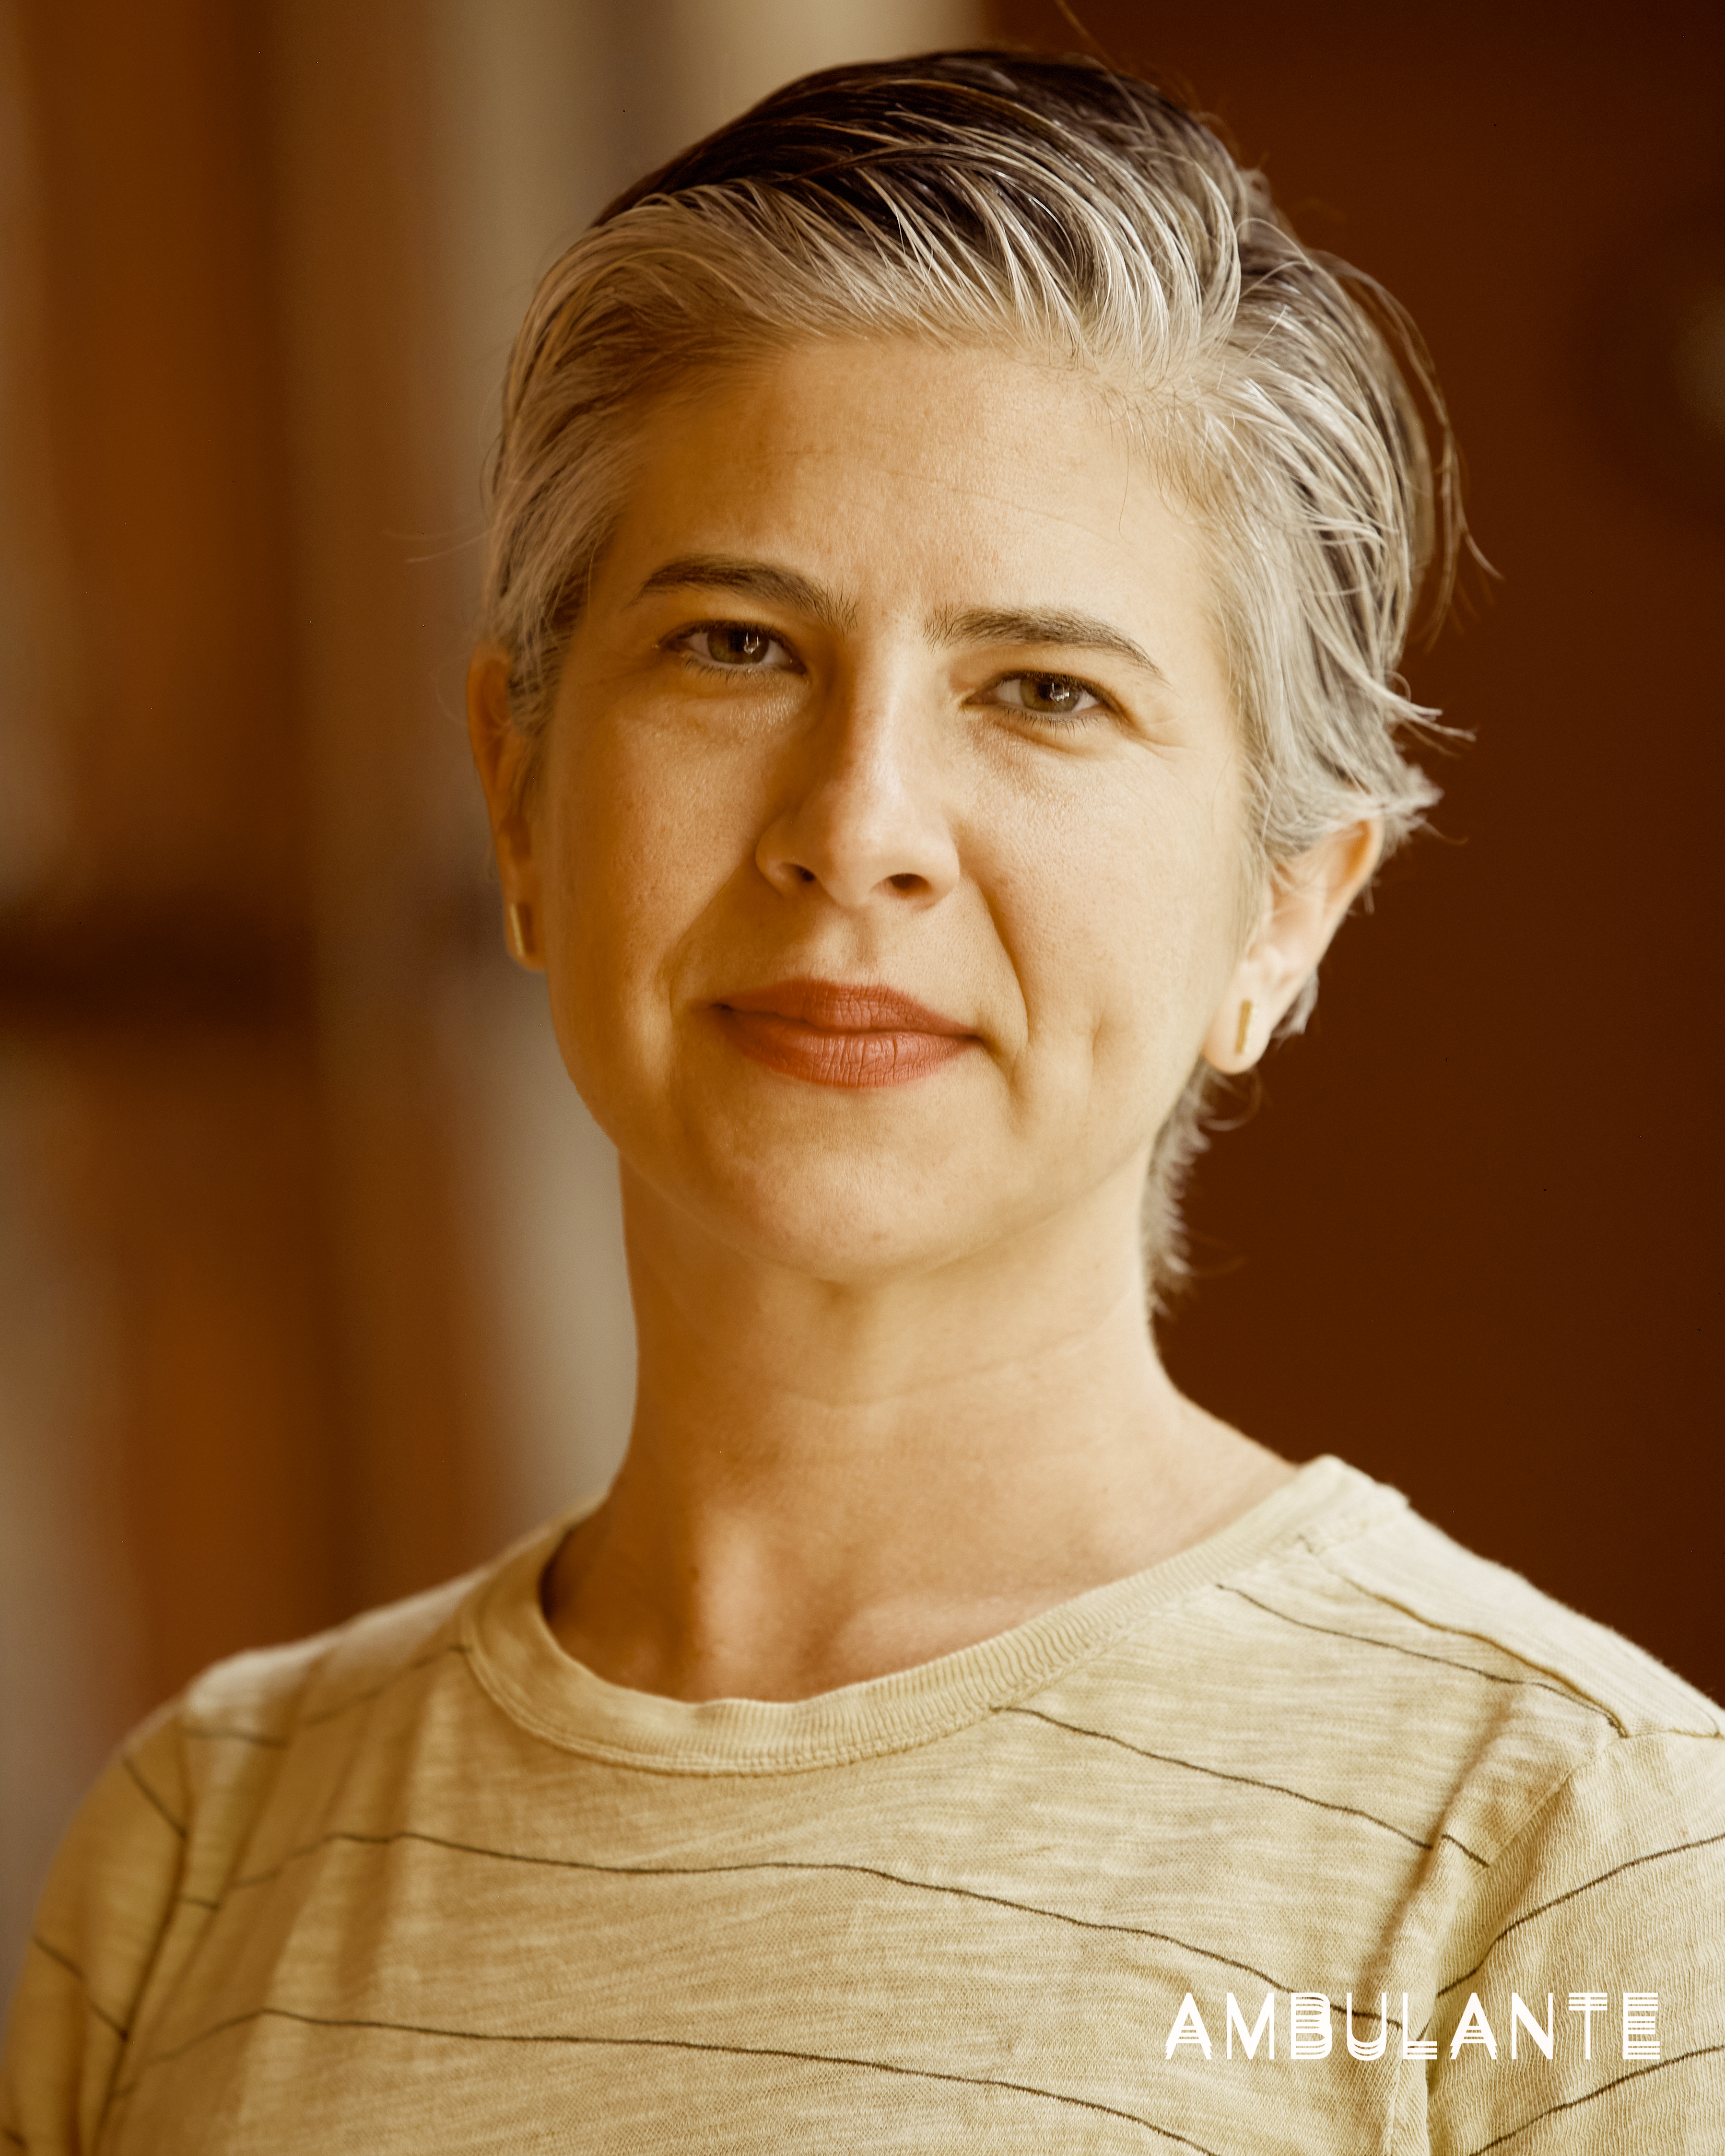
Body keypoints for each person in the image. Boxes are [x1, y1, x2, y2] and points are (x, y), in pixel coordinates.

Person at [5, 48, 1721, 2154]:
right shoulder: (203, 1839)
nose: (860, 824)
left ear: (1288, 909)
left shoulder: (1571, 1852)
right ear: (519, 797)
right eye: (736, 646)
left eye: (1046, 691)